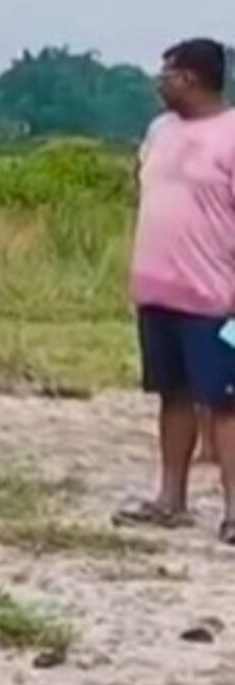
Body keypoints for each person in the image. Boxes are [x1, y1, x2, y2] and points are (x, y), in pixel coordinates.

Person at [113, 38, 235, 544]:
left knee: (227, 404)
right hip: (159, 295)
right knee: (174, 396)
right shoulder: (159, 131)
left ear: (190, 77)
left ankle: (233, 512)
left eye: (166, 73)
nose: (158, 82)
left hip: (218, 299)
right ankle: (171, 499)